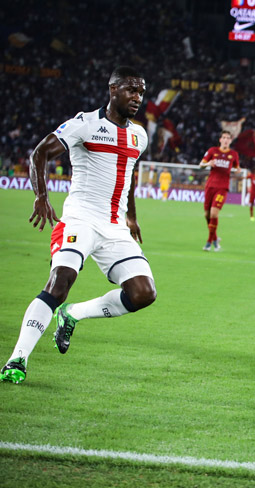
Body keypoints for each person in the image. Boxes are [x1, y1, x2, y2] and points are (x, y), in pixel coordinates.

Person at [1, 66, 156, 384]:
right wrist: (41, 196)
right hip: (80, 219)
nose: (137, 97)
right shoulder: (85, 123)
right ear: (113, 89)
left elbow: (127, 177)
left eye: (141, 91)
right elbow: (40, 153)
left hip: (115, 228)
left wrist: (131, 216)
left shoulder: (139, 135)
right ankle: (17, 359)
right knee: (60, 282)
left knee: (143, 293)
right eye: (131, 90)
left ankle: (73, 314)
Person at [199, 130, 240, 251]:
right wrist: (208, 163)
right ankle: (215, 239)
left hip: (222, 188)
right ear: (220, 139)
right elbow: (201, 164)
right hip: (210, 186)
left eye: (228, 138)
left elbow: (237, 168)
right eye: (224, 137)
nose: (226, 140)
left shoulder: (233, 154)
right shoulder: (212, 151)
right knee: (207, 215)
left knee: (213, 214)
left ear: (231, 141)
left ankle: (208, 242)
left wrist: (238, 170)